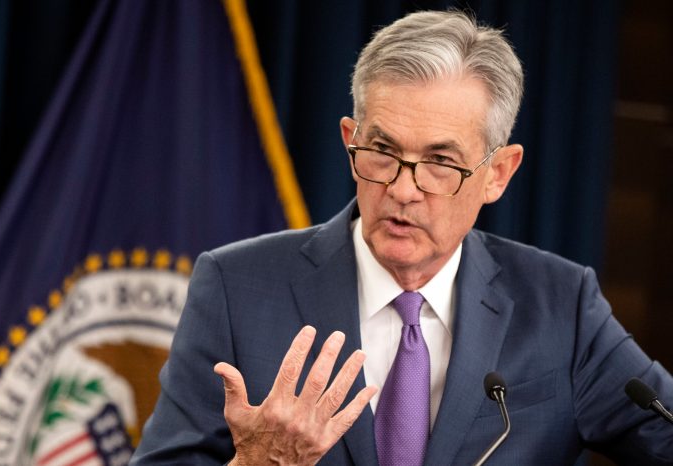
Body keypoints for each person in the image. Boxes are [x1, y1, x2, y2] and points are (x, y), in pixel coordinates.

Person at [131, 9, 673, 465]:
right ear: (350, 140)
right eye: (382, 151)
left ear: (498, 174)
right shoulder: (236, 287)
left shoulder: (562, 306)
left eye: (440, 162)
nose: (402, 189)